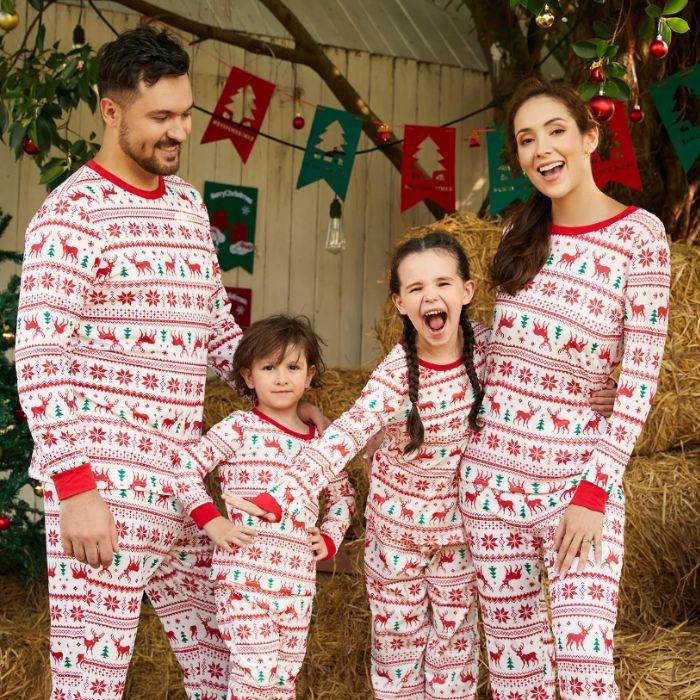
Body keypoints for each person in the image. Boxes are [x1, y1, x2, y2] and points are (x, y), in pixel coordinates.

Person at [15, 26, 324, 700]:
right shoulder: (71, 216)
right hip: (107, 491)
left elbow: (216, 328)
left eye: (186, 114)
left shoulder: (186, 204)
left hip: (187, 486)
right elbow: (42, 358)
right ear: (111, 110)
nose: (179, 131)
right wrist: (75, 489)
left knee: (226, 667)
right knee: (91, 683)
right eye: (161, 117)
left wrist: (278, 392)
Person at [459, 79, 670, 700]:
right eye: (527, 139)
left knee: (582, 666)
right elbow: (499, 353)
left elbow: (639, 382)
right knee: (517, 677)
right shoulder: (515, 238)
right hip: (492, 483)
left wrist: (594, 489)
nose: (542, 150)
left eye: (555, 131)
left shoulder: (640, 236)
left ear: (589, 137)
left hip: (579, 486)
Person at [232, 232, 489, 699]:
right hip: (395, 536)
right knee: (397, 653)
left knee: (455, 652)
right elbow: (346, 435)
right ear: (399, 303)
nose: (430, 296)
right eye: (415, 289)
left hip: (458, 536)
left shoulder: (489, 352)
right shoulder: (395, 375)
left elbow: (544, 378)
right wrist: (282, 494)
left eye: (443, 283)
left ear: (466, 292)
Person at [174, 315, 354, 699]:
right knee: (255, 676)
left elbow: (344, 496)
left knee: (281, 684)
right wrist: (213, 522)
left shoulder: (321, 445)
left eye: (293, 367)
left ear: (309, 376)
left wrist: (330, 536)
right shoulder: (240, 427)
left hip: (297, 587)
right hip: (243, 583)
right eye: (269, 367)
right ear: (249, 375)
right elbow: (184, 470)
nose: (281, 378)